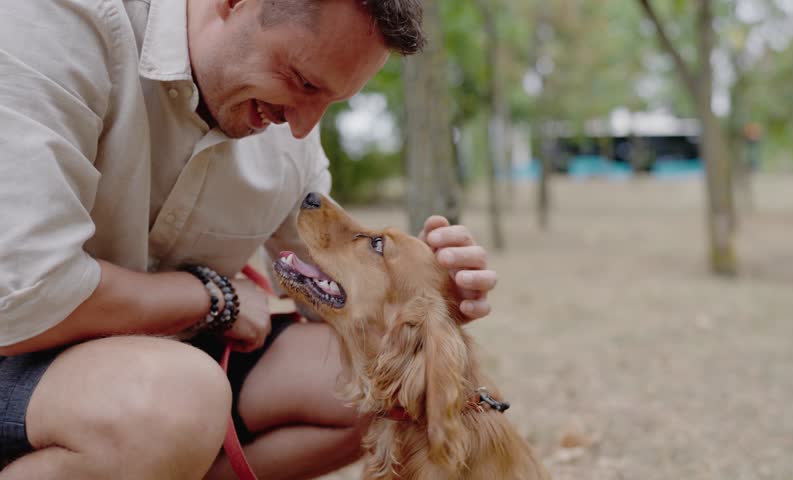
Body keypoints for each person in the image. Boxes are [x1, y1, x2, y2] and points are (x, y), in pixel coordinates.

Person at [0, 0, 498, 478]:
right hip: (21, 353)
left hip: (176, 371)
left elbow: (332, 288)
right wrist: (214, 297)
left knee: (395, 385)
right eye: (303, 82)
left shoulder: (283, 124)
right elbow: (27, 296)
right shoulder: (63, 20)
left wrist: (423, 287)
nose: (303, 127)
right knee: (178, 401)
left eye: (330, 100)